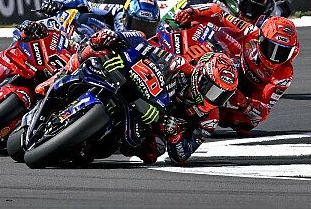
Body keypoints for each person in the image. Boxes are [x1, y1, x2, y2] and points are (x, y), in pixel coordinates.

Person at [62, 27, 237, 164]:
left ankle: (89, 143)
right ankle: (62, 74)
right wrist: (117, 38)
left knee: (153, 151)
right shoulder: (181, 66)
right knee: (100, 47)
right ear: (201, 77)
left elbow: (182, 155)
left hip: (153, 124)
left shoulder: (210, 117)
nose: (215, 98)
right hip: (140, 89)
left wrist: (175, 134)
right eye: (214, 91)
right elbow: (147, 47)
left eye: (222, 95)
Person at [175, 6, 298, 135]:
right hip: (230, 68)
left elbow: (262, 112)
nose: (274, 58)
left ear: (292, 51)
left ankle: (200, 115)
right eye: (270, 47)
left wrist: (244, 102)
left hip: (246, 93)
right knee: (204, 31)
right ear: (260, 39)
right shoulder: (251, 31)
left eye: (283, 52)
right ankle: (182, 65)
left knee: (247, 123)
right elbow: (218, 13)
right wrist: (192, 12)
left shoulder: (284, 75)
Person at [39, 0, 162, 37]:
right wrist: (58, 3)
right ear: (126, 17)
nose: (142, 31)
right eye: (138, 23)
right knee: (80, 16)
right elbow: (84, 3)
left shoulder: (161, 33)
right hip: (102, 49)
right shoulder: (117, 11)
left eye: (148, 26)